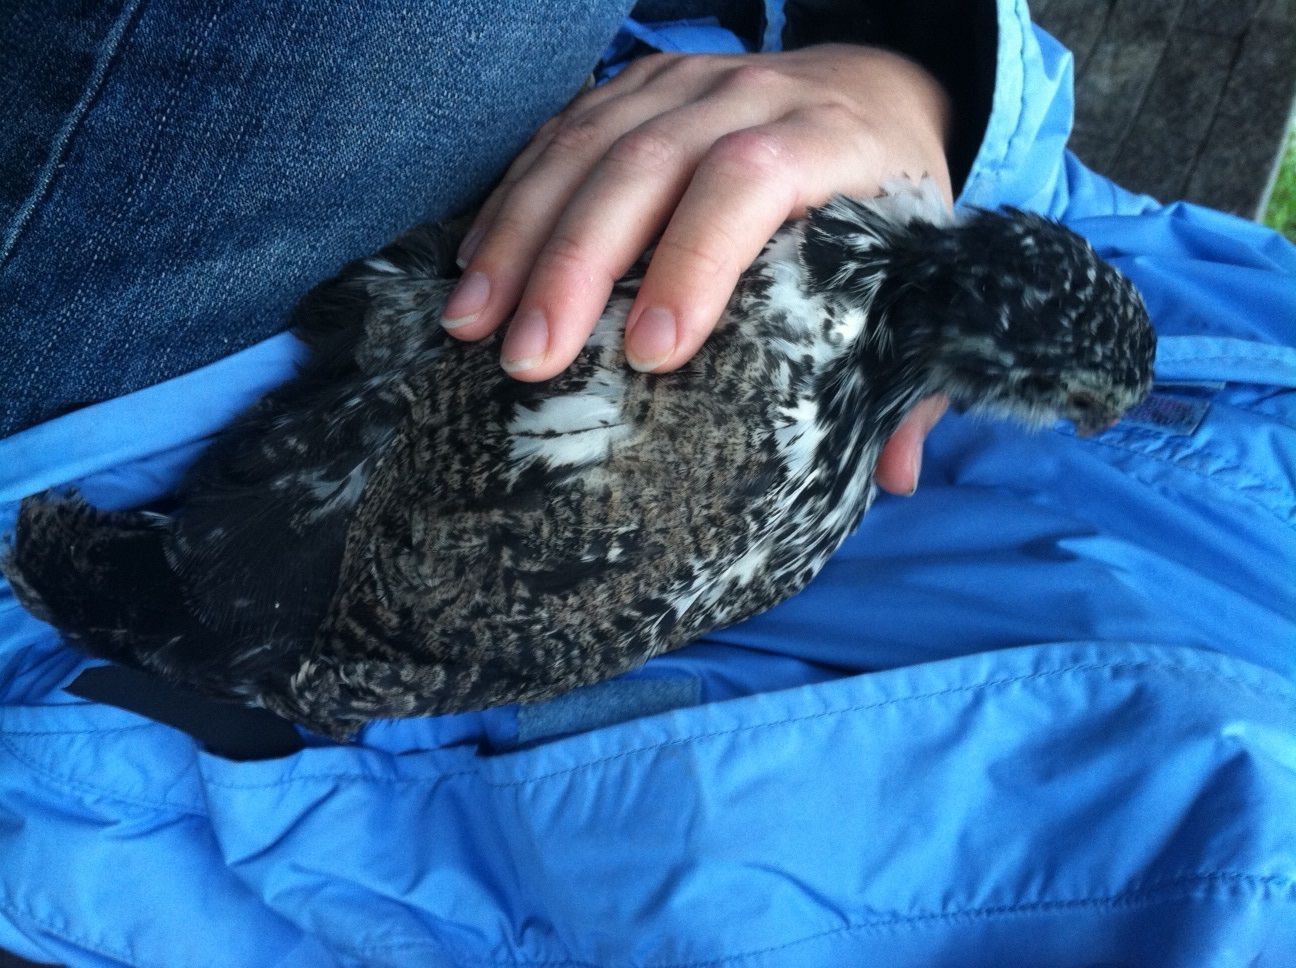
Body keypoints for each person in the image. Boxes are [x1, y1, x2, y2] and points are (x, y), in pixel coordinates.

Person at [1, 1, 1293, 965]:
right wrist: (916, 83)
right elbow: (1066, 210)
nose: (1077, 432)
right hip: (598, 115)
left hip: (150, 501)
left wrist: (98, 644)